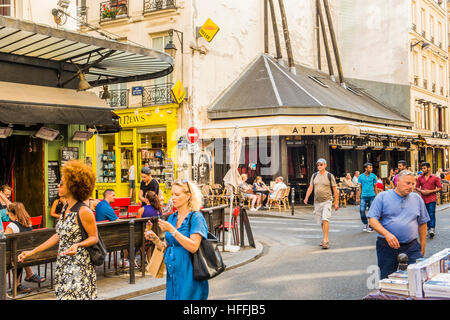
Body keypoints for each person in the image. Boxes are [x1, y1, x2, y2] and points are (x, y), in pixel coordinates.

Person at [18, 160, 99, 300]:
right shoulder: (65, 208)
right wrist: (33, 252)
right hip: (63, 265)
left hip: (79, 267)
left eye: (61, 183)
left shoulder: (84, 211)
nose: (58, 185)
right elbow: (59, 235)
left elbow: (94, 237)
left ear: (73, 186)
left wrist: (78, 245)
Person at [144, 179, 209, 300]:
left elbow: (194, 246)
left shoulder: (196, 217)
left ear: (188, 196)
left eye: (177, 194)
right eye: (172, 194)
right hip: (173, 274)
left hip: (190, 274)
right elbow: (167, 246)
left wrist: (172, 230)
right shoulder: (172, 218)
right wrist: (155, 239)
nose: (173, 198)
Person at [367, 170, 429, 280]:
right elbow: (372, 220)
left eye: (413, 184)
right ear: (398, 182)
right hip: (387, 246)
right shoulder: (382, 197)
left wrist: (422, 247)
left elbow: (422, 223)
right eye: (407, 183)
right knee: (388, 278)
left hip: (412, 247)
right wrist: (387, 234)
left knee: (416, 278)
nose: (411, 187)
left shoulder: (417, 198)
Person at [5, 202, 45, 293]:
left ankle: (19, 283)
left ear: (12, 214)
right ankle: (25, 278)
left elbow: (5, 243)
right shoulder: (29, 223)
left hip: (14, 257)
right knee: (18, 254)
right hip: (25, 254)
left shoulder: (12, 226)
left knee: (15, 256)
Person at [303, 158, 339, 249]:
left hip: (327, 201)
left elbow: (335, 190)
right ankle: (324, 238)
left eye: (321, 164)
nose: (319, 166)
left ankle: (326, 240)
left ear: (325, 165)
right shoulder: (314, 176)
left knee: (325, 218)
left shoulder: (330, 176)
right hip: (317, 202)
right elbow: (311, 187)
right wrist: (306, 197)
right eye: (318, 165)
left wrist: (336, 202)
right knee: (321, 222)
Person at [416, 162, 442, 239]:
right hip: (423, 199)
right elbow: (417, 187)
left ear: (429, 168)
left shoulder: (435, 178)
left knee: (431, 213)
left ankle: (432, 229)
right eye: (422, 168)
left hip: (432, 198)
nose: (423, 170)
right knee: (425, 215)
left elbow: (440, 187)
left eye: (424, 168)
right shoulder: (420, 178)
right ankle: (428, 229)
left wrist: (430, 191)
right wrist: (421, 191)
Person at [358, 162, 377, 232]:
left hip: (372, 196)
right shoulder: (360, 176)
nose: (371, 169)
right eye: (369, 168)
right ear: (366, 168)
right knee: (362, 210)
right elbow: (360, 187)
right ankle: (365, 223)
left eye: (371, 168)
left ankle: (371, 225)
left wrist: (377, 196)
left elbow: (375, 187)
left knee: (371, 212)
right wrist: (358, 197)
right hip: (363, 196)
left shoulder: (373, 176)